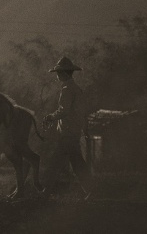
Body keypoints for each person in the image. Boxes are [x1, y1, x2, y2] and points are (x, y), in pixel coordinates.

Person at [42, 56, 93, 198]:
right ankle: (91, 190)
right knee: (77, 164)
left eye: (58, 73)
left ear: (64, 73)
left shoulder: (67, 89)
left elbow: (64, 110)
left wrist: (51, 117)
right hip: (74, 131)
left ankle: (45, 191)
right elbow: (81, 112)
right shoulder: (76, 89)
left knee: (56, 162)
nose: (57, 76)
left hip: (68, 133)